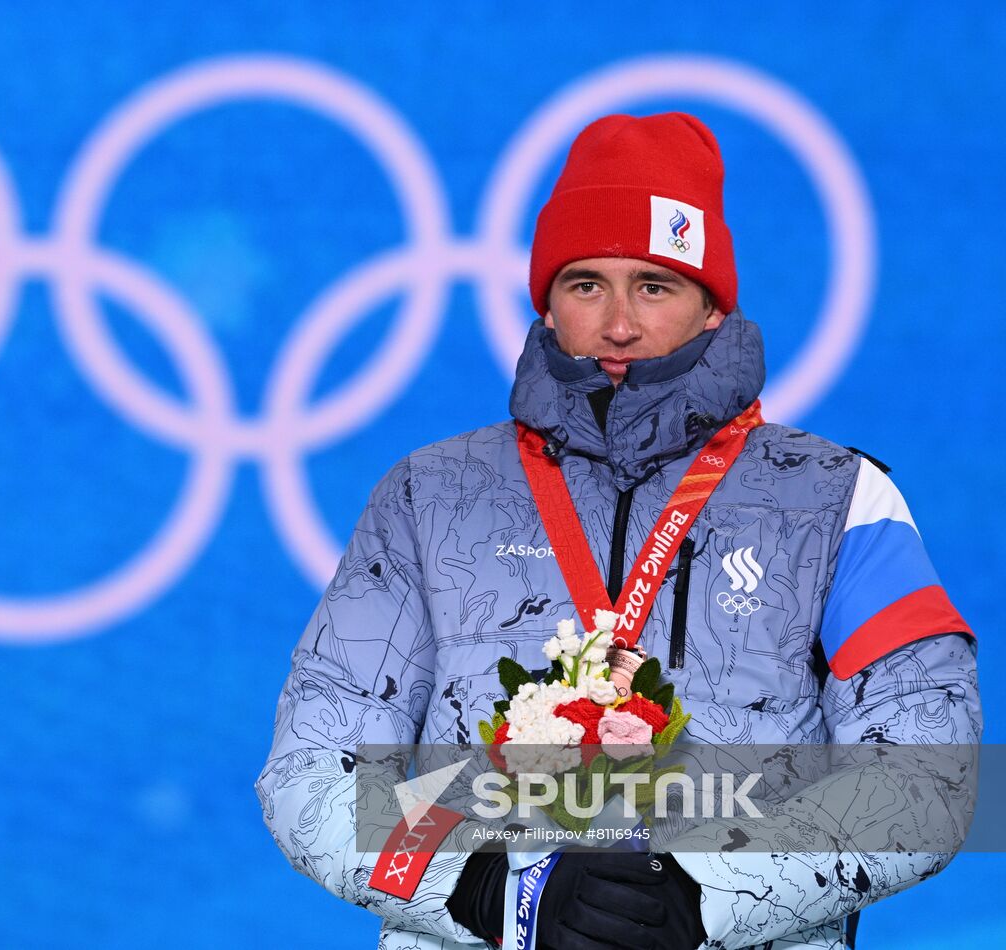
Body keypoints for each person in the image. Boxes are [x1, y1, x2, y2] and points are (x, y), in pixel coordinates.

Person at [255, 112, 980, 949]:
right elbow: (315, 770)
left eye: (656, 285)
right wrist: (492, 887)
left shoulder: (839, 496)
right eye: (587, 284)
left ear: (712, 307)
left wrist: (701, 897)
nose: (620, 325)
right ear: (548, 302)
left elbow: (930, 774)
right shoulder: (429, 495)